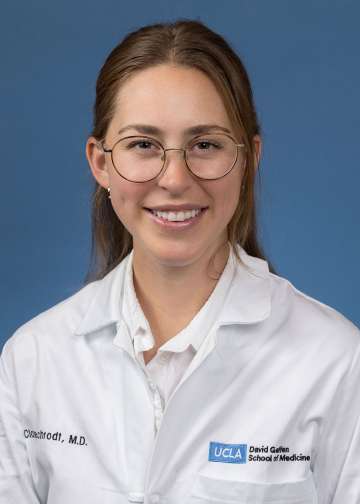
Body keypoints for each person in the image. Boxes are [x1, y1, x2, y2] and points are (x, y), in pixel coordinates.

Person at [1, 18, 359, 504]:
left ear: (249, 159)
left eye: (205, 145)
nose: (174, 178)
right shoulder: (33, 360)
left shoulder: (336, 361)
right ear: (101, 162)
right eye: (143, 145)